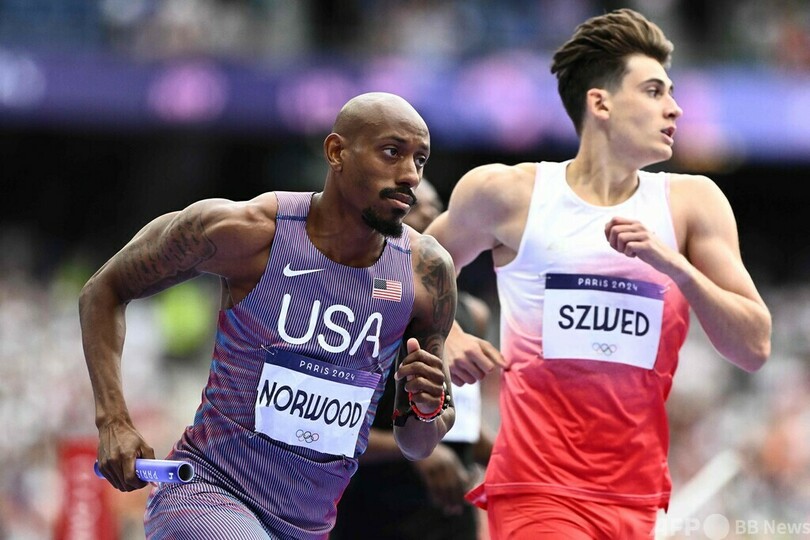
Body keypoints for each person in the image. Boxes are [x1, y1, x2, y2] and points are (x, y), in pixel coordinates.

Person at [424, 9, 772, 539]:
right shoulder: (510, 194)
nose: (674, 108)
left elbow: (754, 347)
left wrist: (676, 267)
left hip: (635, 496)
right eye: (654, 91)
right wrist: (444, 334)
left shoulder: (693, 204)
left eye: (672, 92)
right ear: (601, 103)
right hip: (536, 489)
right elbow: (407, 266)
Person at [78, 91, 458, 540]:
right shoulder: (245, 232)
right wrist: (113, 420)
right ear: (336, 152)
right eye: (392, 152)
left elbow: (417, 444)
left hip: (308, 527)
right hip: (206, 494)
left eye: (420, 159)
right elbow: (104, 290)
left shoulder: (426, 274)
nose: (410, 174)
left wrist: (425, 409)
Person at [332, 179, 495, 540]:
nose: (432, 215)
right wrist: (415, 450)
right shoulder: (361, 305)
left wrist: (509, 458)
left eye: (438, 206)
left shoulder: (473, 313)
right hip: (375, 513)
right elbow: (329, 428)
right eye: (417, 206)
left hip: (451, 519)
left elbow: (464, 419)